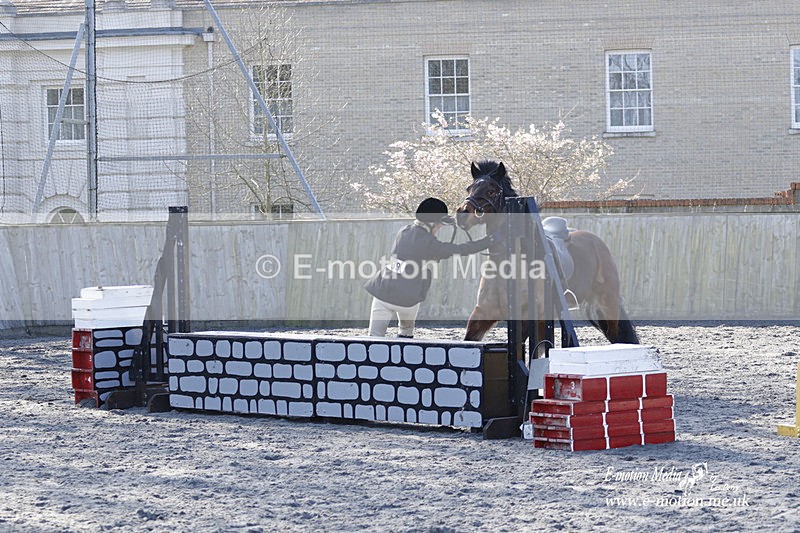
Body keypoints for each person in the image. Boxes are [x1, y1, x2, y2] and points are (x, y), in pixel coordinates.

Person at [364, 197, 501, 338]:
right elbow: (461, 249)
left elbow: (414, 251)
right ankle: (405, 336)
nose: (439, 229)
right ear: (433, 223)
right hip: (406, 298)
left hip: (382, 291)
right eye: (439, 226)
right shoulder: (430, 243)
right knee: (405, 334)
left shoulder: (404, 231)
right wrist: (488, 241)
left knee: (374, 337)